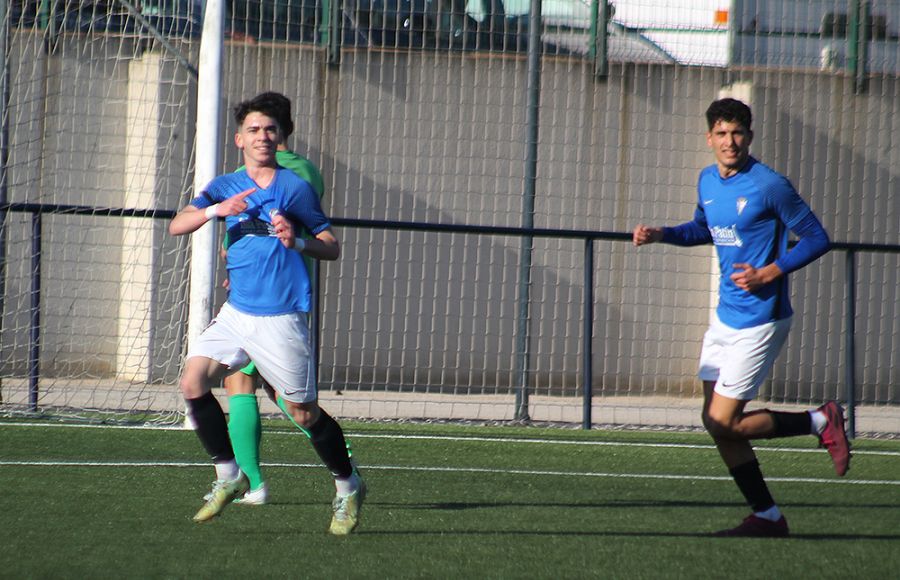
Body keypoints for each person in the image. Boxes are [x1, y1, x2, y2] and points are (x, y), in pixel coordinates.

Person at [632, 97, 849, 538]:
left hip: (761, 318)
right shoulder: (708, 180)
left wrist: (771, 271)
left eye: (738, 133)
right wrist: (663, 235)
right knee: (715, 423)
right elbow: (705, 229)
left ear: (749, 137)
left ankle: (821, 420)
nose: (730, 142)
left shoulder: (770, 185)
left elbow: (816, 237)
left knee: (727, 420)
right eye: (722, 134)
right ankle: (767, 516)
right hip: (725, 318)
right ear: (709, 138)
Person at [169, 93, 365, 535]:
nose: (263, 136)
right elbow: (178, 223)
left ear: (282, 138)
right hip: (237, 312)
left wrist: (295, 241)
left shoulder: (294, 187)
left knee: (301, 412)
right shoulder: (223, 185)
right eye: (254, 130)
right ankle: (228, 474)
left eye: (270, 130)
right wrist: (216, 211)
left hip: (282, 317)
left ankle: (348, 485)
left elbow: (331, 246)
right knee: (192, 379)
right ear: (239, 139)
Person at [220, 91, 328, 507]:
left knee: (256, 386)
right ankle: (255, 483)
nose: (260, 136)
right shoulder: (306, 170)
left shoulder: (283, 174)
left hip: (273, 298)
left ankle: (257, 482)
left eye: (265, 127)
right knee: (253, 381)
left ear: (277, 131)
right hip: (263, 292)